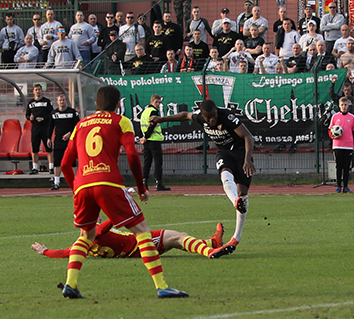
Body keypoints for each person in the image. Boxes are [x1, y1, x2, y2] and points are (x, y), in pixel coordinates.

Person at [58, 85, 187, 299]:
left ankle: (70, 284)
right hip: (107, 182)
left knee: (87, 235)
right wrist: (141, 188)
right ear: (118, 104)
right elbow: (133, 155)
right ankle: (162, 286)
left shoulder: (80, 124)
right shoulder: (121, 121)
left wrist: (76, 190)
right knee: (142, 230)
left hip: (82, 185)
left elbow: (64, 164)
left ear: (96, 104)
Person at [153, 100, 256, 258]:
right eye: (208, 117)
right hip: (224, 152)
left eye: (214, 116)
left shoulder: (227, 116)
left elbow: (248, 136)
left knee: (243, 193)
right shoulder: (199, 117)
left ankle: (236, 236)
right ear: (203, 115)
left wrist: (247, 160)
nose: (212, 119)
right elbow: (184, 115)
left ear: (217, 111)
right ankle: (235, 201)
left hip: (241, 153)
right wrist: (161, 120)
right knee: (225, 175)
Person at [33, 218, 223, 261]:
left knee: (175, 241)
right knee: (180, 236)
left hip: (135, 252)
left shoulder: (81, 244)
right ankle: (210, 251)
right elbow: (105, 226)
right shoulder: (96, 232)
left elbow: (63, 253)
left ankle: (212, 243)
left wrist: (45, 251)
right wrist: (117, 212)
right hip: (141, 243)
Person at [140, 94, 170, 192]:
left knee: (147, 162)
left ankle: (144, 183)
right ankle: (159, 183)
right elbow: (152, 125)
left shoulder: (144, 112)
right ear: (152, 101)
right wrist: (146, 136)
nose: (158, 104)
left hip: (147, 141)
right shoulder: (153, 111)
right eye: (156, 102)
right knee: (158, 162)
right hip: (154, 140)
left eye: (159, 102)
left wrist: (144, 137)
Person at [328, 97, 354, 193]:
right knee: (339, 166)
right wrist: (333, 136)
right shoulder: (335, 117)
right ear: (339, 105)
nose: (344, 107)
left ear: (348, 106)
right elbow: (330, 130)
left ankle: (345, 186)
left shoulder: (352, 117)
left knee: (346, 167)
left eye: (345, 105)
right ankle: (338, 186)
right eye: (342, 105)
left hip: (348, 145)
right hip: (338, 145)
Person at [50, 93, 79, 191]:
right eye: (60, 100)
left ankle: (76, 182)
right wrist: (48, 138)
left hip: (70, 141)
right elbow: (50, 126)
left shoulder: (72, 112)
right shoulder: (54, 113)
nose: (62, 102)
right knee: (57, 162)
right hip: (58, 140)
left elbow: (77, 125)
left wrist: (70, 134)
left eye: (63, 100)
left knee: (72, 162)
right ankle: (56, 182)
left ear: (66, 101)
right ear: (57, 102)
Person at [25, 83, 53, 174]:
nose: (38, 91)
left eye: (39, 90)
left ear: (42, 91)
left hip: (45, 128)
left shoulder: (46, 102)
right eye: (36, 90)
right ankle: (35, 168)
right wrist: (30, 118)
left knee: (48, 148)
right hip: (35, 128)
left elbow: (51, 114)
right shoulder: (31, 103)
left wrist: (43, 118)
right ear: (33, 91)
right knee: (35, 148)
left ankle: (51, 167)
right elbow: (27, 115)